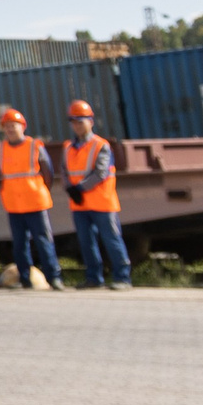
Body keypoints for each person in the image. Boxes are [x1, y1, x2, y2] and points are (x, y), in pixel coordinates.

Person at [64, 99, 133, 290]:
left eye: (81, 120)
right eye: (74, 121)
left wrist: (79, 189)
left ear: (91, 121)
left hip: (102, 203)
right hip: (80, 205)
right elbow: (65, 172)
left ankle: (122, 278)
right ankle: (93, 278)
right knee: (86, 243)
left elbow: (101, 172)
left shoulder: (100, 145)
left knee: (111, 239)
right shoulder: (68, 148)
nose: (77, 125)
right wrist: (69, 188)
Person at [0, 110, 65, 290]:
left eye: (14, 126)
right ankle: (24, 279)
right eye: (7, 126)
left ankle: (54, 278)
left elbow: (47, 173)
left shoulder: (34, 145)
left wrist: (39, 190)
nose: (10, 129)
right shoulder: (0, 148)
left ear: (22, 127)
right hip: (14, 204)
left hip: (34, 201)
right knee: (19, 244)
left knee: (43, 240)